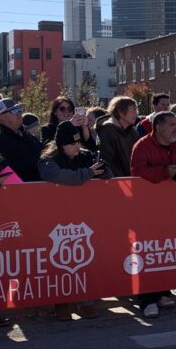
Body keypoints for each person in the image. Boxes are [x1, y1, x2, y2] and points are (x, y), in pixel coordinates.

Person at [130, 111, 176, 317]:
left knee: (168, 250)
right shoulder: (142, 146)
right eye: (171, 124)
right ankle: (146, 299)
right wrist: (164, 173)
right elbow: (138, 173)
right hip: (148, 210)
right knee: (148, 250)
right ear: (158, 126)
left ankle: (164, 291)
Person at [38, 121, 112, 319]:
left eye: (79, 142)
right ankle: (61, 302)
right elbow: (58, 176)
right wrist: (87, 173)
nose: (77, 146)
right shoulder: (49, 159)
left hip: (84, 217)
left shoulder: (86, 156)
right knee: (59, 261)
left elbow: (108, 174)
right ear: (62, 145)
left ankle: (85, 300)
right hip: (57, 218)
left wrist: (103, 170)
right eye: (73, 143)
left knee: (84, 260)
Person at [0, 98, 43, 182]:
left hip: (40, 187)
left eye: (19, 110)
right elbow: (4, 170)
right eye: (14, 111)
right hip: (19, 190)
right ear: (1, 118)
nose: (19, 113)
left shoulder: (28, 136)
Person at [96, 95, 140, 177]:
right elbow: (105, 161)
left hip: (131, 180)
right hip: (115, 183)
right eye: (133, 110)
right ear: (121, 112)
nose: (136, 113)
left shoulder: (132, 131)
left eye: (137, 109)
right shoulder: (108, 131)